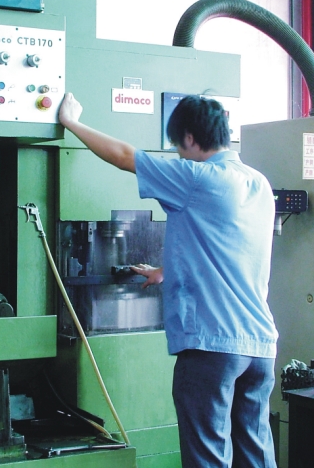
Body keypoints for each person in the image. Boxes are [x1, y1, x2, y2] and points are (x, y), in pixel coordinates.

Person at [58, 92, 278, 468]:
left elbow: (124, 156)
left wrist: (71, 122)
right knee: (255, 455)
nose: (178, 154)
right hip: (259, 347)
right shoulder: (258, 183)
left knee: (208, 457)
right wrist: (167, 270)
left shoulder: (196, 178)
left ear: (190, 138)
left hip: (211, 347)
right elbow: (230, 246)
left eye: (177, 146)